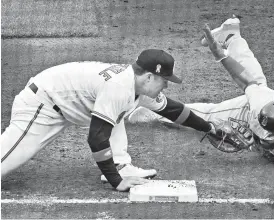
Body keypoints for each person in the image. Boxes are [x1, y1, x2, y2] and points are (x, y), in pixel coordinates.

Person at [129, 17, 274, 195]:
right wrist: (220, 55)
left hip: (270, 108)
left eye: (267, 135)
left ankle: (232, 36)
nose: (261, 135)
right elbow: (244, 79)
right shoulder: (258, 106)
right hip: (250, 106)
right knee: (208, 115)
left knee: (259, 83)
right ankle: (153, 110)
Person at [1, 49, 215, 191]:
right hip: (42, 105)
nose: (166, 86)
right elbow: (96, 138)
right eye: (165, 81)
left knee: (114, 112)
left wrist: (211, 128)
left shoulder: (136, 85)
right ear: (149, 77)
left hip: (66, 101)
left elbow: (173, 110)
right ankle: (119, 172)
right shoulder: (119, 88)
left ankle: (121, 164)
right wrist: (117, 182)